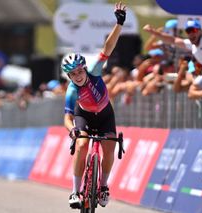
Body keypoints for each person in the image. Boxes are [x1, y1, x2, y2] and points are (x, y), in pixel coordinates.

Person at [62, 2, 126, 209]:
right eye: (73, 74)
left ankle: (104, 186)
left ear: (84, 69)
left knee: (110, 148)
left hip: (105, 114)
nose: (78, 76)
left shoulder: (95, 71)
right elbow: (67, 117)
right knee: (81, 145)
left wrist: (119, 24)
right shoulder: (72, 91)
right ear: (69, 76)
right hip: (85, 116)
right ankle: (74, 191)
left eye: (80, 71)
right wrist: (72, 131)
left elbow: (107, 47)